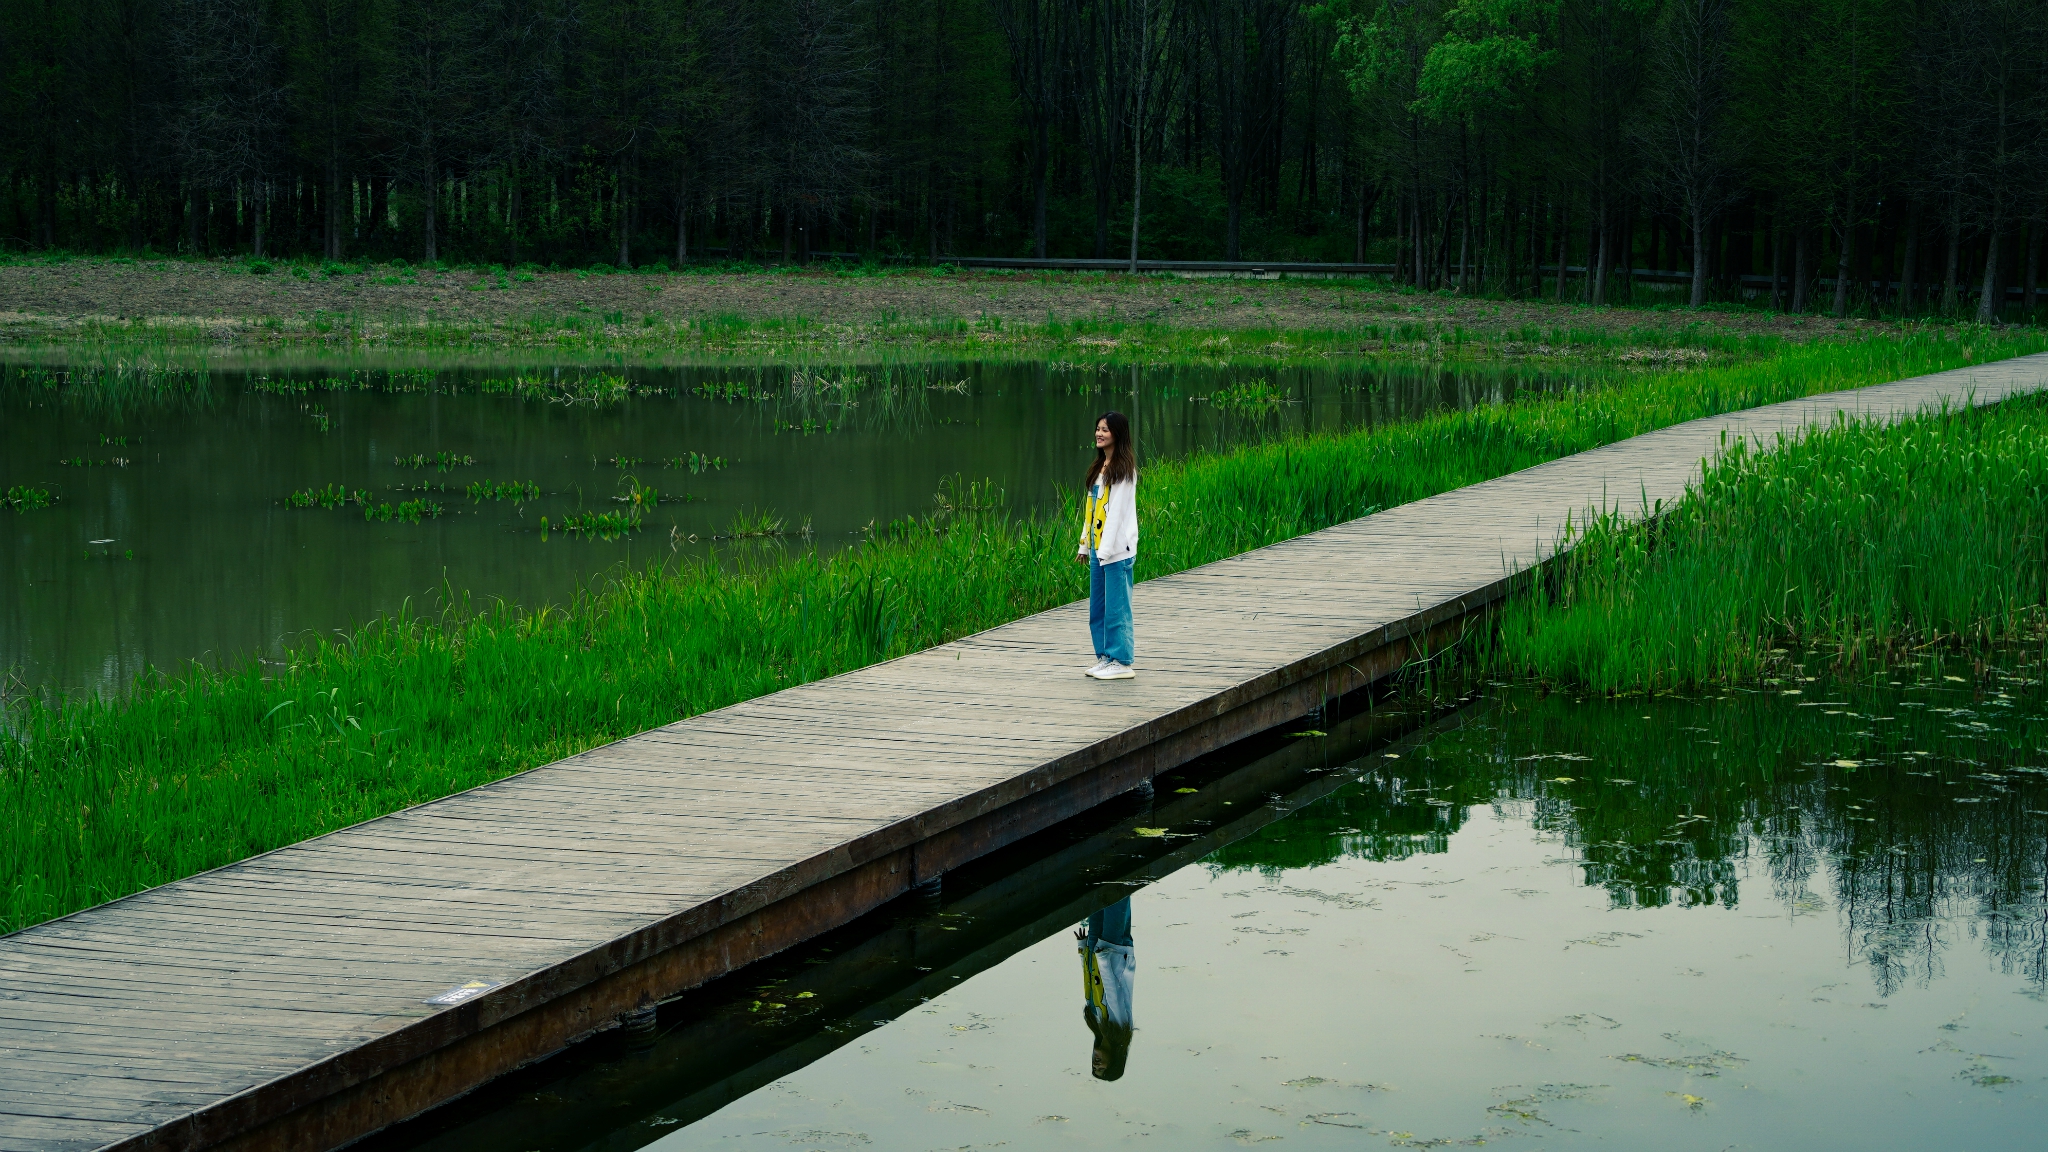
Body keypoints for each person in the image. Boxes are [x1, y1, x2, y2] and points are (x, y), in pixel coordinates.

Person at [1076, 411, 1138, 680]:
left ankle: (1122, 660)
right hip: (1098, 550)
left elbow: (1115, 515)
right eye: (1097, 429)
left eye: (1105, 430)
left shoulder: (1124, 471)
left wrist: (1105, 551)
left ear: (1118, 434)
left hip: (1116, 551)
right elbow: (1091, 511)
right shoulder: (1098, 469)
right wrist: (1084, 545)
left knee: (1117, 608)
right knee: (1098, 608)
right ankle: (1104, 657)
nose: (1099, 434)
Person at [1076, 897, 1134, 1080]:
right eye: (1102, 1069)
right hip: (1113, 954)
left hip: (1096, 953)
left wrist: (1082, 948)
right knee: (1117, 898)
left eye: (1095, 1069)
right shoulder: (1120, 1030)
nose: (1096, 1065)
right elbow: (1113, 992)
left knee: (1097, 897)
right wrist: (1104, 960)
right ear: (1114, 1061)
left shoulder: (1096, 1025)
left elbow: (1089, 983)